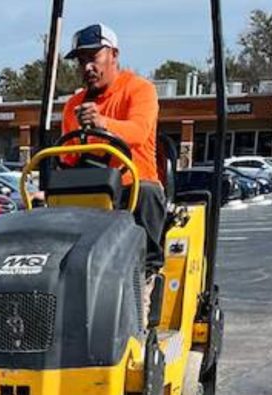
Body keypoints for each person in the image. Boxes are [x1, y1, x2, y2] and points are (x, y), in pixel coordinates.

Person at [61, 23, 167, 321]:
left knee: (146, 192)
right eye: (82, 61)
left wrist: (102, 123)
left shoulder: (139, 90)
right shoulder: (73, 106)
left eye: (94, 57)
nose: (88, 67)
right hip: (92, 191)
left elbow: (138, 131)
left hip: (134, 185)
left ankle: (145, 282)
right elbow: (68, 156)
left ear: (114, 54)